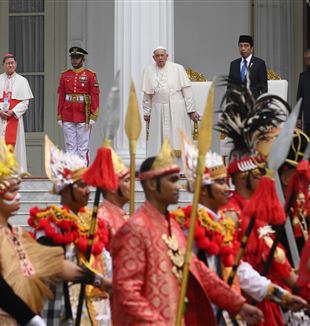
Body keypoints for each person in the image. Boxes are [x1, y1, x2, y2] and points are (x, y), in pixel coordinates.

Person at [110, 138, 264, 325]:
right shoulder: (136, 228)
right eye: (172, 180)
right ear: (151, 184)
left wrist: (238, 305)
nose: (178, 186)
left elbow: (199, 272)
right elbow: (126, 291)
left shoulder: (172, 226)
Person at [171, 137, 306, 324]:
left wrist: (279, 295)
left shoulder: (219, 223)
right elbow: (203, 276)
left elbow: (237, 268)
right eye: (220, 183)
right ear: (202, 190)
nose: (227, 188)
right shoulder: (188, 226)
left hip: (230, 309)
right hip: (202, 312)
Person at [0, 137, 109, 325]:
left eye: (18, 189)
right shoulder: (51, 224)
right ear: (65, 190)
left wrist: (100, 281)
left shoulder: (17, 233)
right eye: (11, 191)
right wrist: (30, 318)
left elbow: (53, 264)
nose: (18, 196)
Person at [142, 46, 199, 157]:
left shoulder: (178, 68)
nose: (160, 58)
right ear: (153, 58)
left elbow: (187, 91)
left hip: (177, 109)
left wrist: (191, 110)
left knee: (177, 138)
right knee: (158, 140)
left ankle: (181, 168)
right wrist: (147, 112)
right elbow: (147, 95)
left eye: (162, 55)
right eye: (157, 56)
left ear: (167, 56)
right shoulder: (148, 70)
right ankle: (158, 166)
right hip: (157, 110)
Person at [57, 47, 100, 166]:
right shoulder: (65, 75)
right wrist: (59, 115)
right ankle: (72, 172)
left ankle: (82, 173)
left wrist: (93, 115)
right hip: (68, 113)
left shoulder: (90, 75)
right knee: (70, 146)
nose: (74, 60)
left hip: (83, 114)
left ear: (83, 59)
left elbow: (95, 96)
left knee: (82, 147)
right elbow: (61, 96)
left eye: (77, 58)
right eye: (73, 58)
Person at [0, 53, 33, 172]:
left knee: (15, 146)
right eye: (8, 63)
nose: (10, 65)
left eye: (12, 63)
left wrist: (13, 111)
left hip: (14, 119)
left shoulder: (22, 81)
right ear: (3, 65)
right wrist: (1, 111)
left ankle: (15, 172)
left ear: (16, 64)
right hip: (0, 119)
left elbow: (25, 103)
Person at [228, 35, 267, 99]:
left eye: (246, 46)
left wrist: (261, 105)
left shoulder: (259, 63)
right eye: (241, 46)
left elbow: (264, 88)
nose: (243, 48)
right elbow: (230, 87)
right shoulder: (234, 64)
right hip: (238, 104)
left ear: (251, 48)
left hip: (253, 103)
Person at [296, 49, 310, 135]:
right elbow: (300, 97)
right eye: (307, 58)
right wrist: (299, 118)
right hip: (308, 117)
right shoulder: (303, 76)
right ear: (305, 61)